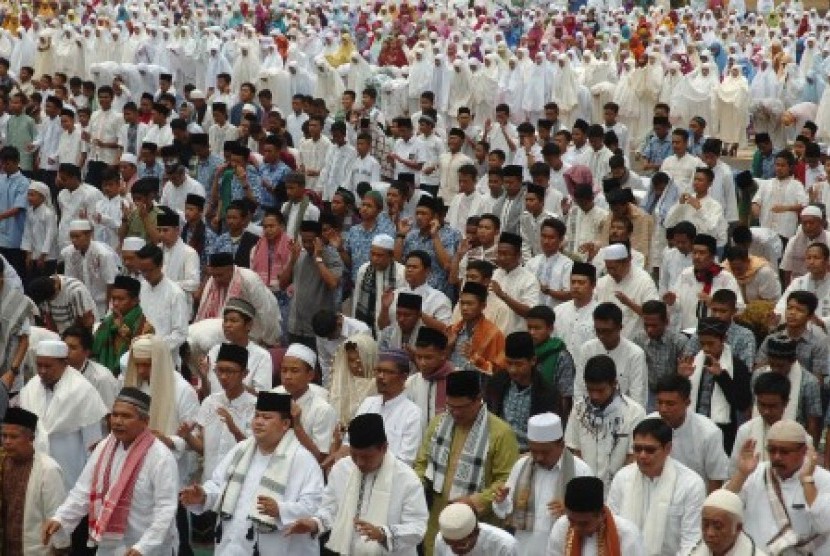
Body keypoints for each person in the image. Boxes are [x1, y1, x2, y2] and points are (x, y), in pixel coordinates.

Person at [180, 391, 323, 555]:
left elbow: (315, 507)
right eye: (257, 416)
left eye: (267, 418)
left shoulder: (303, 460)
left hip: (279, 548)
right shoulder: (241, 450)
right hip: (233, 544)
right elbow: (218, 485)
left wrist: (281, 510)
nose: (259, 422)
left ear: (285, 424)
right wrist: (204, 495)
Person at [44, 387, 180, 555]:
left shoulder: (160, 457)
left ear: (145, 421)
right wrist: (61, 518)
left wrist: (142, 547)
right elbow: (83, 490)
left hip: (149, 548)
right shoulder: (104, 447)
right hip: (110, 544)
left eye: (126, 416)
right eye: (115, 415)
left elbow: (166, 510)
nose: (117, 421)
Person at [285, 413, 429, 554]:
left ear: (384, 448)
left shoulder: (407, 480)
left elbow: (417, 527)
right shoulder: (342, 469)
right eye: (354, 455)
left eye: (367, 457)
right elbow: (330, 510)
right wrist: (314, 523)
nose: (359, 462)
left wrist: (383, 534)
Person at [414, 370, 519, 555]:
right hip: (438, 517)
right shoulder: (438, 424)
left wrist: (474, 501)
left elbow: (507, 481)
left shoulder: (501, 433)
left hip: (478, 526)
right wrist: (416, 487)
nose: (455, 412)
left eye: (461, 407)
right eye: (450, 406)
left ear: (478, 399)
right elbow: (422, 463)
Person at [726, 420, 830, 554]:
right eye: (772, 450)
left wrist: (807, 480)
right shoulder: (755, 472)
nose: (776, 457)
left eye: (784, 452)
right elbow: (723, 507)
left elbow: (825, 524)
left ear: (804, 451)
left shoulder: (824, 479)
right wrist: (741, 474)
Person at [493, 412, 593, 551]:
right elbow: (504, 512)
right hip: (524, 547)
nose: (539, 457)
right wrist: (501, 501)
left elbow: (592, 517)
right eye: (534, 451)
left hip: (564, 547)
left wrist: (570, 511)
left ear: (561, 445)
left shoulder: (581, 471)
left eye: (545, 452)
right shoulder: (521, 466)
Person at [607, 418, 706, 555]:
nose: (642, 455)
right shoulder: (622, 478)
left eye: (650, 450)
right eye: (637, 449)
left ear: (668, 448)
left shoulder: (691, 484)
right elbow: (611, 528)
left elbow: (691, 542)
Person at [19, 339, 107, 492]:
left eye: (48, 366)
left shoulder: (82, 391)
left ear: (64, 363)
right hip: (35, 465)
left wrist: (90, 485)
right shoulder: (31, 387)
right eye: (39, 365)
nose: (42, 371)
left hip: (70, 469)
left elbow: (93, 444)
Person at [0, 407, 70, 555]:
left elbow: (56, 515)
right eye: (4, 436)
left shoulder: (48, 469)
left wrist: (60, 548)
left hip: (37, 550)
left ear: (31, 438)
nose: (7, 442)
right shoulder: (2, 463)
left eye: (13, 437)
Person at [679, 317, 753, 453]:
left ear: (723, 339)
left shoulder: (736, 366)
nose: (706, 348)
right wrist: (681, 378)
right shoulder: (692, 362)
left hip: (722, 433)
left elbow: (743, 404)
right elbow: (677, 398)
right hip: (692, 428)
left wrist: (722, 377)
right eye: (702, 344)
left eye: (711, 343)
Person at [652, 375, 730, 493]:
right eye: (659, 402)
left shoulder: (708, 432)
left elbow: (716, 478)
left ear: (687, 402)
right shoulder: (648, 425)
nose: (663, 409)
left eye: (670, 404)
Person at [486, 331, 560, 451]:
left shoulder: (547, 394)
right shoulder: (497, 383)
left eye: (519, 364)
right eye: (509, 363)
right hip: (498, 450)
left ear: (533, 361)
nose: (513, 370)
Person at [279, 220, 342, 347]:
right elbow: (282, 285)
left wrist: (318, 259)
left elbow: (333, 284)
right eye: (304, 241)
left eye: (311, 241)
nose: (307, 245)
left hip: (319, 328)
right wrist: (292, 261)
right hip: (295, 327)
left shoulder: (332, 256)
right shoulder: (298, 255)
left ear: (319, 239)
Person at [197, 252, 281, 346]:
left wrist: (269, 339)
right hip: (230, 333)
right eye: (214, 275)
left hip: (257, 330)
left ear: (231, 269)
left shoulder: (249, 279)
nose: (217, 279)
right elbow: (203, 309)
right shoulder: (212, 281)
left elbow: (265, 310)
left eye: (220, 275)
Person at [546, 476, 645, 556]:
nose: (575, 528)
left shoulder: (627, 534)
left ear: (601, 514)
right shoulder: (562, 526)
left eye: (583, 523)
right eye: (571, 520)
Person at [273, 343, 337, 462]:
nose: (287, 376)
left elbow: (321, 458)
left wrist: (297, 426)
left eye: (294, 371)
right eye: (284, 370)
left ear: (310, 375)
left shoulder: (322, 409)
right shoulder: (273, 396)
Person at [753, 336, 823, 446]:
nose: (775, 370)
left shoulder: (809, 382)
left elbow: (813, 422)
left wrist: (809, 449)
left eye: (780, 366)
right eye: (772, 364)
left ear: (793, 361)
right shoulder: (758, 375)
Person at [666, 233, 744, 332]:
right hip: (688, 332)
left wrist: (714, 303)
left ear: (712, 256)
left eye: (702, 253)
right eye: (694, 253)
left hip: (717, 335)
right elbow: (677, 307)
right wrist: (672, 302)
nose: (697, 257)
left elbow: (739, 308)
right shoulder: (685, 274)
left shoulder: (725, 277)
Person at [578, 302, 647, 407]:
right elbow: (580, 388)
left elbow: (638, 397)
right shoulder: (587, 349)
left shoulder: (635, 354)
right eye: (598, 331)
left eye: (607, 331)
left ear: (620, 327)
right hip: (591, 412)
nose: (601, 336)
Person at [135, 244, 189, 362]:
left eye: (149, 270)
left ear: (160, 266)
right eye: (142, 271)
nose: (146, 275)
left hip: (166, 358)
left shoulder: (175, 293)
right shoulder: (140, 288)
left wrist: (155, 347)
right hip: (141, 355)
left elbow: (180, 333)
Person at [593, 242, 658, 338]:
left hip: (634, 342)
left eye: (614, 268)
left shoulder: (644, 281)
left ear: (627, 262)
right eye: (608, 268)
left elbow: (653, 315)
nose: (611, 272)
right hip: (605, 342)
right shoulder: (603, 282)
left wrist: (629, 303)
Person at [633, 300, 688, 411]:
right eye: (646, 325)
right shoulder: (639, 340)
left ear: (666, 322)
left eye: (654, 325)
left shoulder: (679, 342)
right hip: (648, 393)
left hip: (672, 394)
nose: (649, 330)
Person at [91, 275, 152, 375]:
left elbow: (141, 354)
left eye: (120, 299)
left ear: (135, 301)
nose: (115, 303)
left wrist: (122, 328)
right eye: (113, 299)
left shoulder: (145, 327)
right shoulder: (107, 322)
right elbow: (94, 350)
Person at [61, 219, 119, 318]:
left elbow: (111, 282)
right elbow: (69, 281)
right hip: (80, 303)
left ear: (89, 235)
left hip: (101, 303)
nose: (74, 240)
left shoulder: (103, 254)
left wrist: (109, 309)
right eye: (72, 237)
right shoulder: (68, 253)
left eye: (77, 236)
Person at [447, 281, 506, 374]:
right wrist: (448, 347)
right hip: (451, 382)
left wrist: (475, 358)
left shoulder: (494, 334)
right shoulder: (453, 330)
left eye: (470, 304)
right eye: (462, 303)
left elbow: (499, 370)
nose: (464, 308)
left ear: (483, 306)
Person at [525, 305, 575, 414]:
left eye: (537, 328)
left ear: (550, 328)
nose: (532, 332)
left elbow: (565, 396)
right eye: (529, 327)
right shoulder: (523, 352)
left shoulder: (561, 356)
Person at [405, 326, 454, 432]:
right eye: (419, 357)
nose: (422, 363)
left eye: (428, 357)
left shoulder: (458, 379)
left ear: (443, 355)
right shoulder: (411, 382)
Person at [491, 231, 541, 334]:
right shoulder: (494, 274)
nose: (501, 258)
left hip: (516, 336)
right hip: (492, 335)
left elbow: (530, 312)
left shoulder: (529, 279)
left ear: (518, 255)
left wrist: (502, 295)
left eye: (506, 254)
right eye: (499, 253)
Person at [689, 488, 764, 556]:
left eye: (717, 527)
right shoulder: (695, 552)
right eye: (705, 525)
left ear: (738, 528)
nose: (710, 533)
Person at [63, 325, 119, 408]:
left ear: (86, 352)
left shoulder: (101, 378)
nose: (66, 351)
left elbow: (108, 414)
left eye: (72, 348)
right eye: (64, 346)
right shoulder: (58, 370)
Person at [434, 502, 518, 556]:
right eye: (450, 543)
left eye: (462, 545)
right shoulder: (440, 539)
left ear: (476, 532)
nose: (455, 550)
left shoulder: (505, 546)